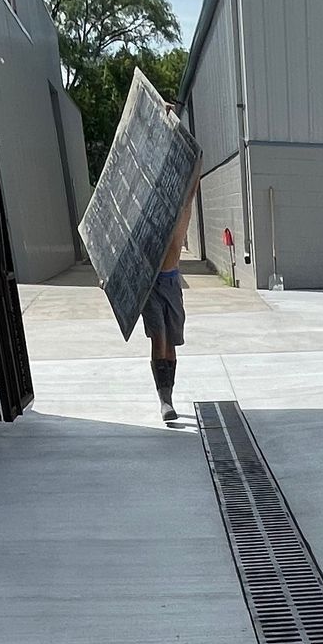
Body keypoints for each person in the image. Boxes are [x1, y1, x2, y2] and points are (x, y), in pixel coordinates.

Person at [143, 123, 199, 428]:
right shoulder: (150, 213)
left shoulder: (183, 211)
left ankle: (170, 395)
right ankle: (164, 401)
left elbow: (195, 162)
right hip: (150, 284)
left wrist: (177, 128)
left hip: (171, 281)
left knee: (172, 342)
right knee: (159, 338)